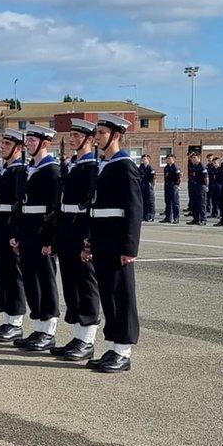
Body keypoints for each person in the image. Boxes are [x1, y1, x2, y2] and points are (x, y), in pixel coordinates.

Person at [82, 113, 142, 373]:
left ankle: (124, 351)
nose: (97, 137)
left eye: (102, 133)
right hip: (102, 241)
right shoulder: (103, 165)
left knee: (122, 295)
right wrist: (90, 240)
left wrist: (129, 248)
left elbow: (134, 209)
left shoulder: (125, 165)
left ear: (116, 136)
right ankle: (114, 346)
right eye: (97, 133)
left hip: (117, 243)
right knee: (108, 294)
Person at [50, 119, 101, 361]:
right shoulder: (72, 165)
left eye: (76, 136)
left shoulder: (92, 167)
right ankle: (78, 336)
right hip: (67, 235)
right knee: (72, 287)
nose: (71, 139)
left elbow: (91, 206)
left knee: (86, 287)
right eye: (70, 135)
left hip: (81, 235)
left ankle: (88, 339)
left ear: (89, 140)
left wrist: (88, 240)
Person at [12, 125, 61, 352]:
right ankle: (39, 327)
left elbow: (53, 209)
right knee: (31, 282)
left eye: (33, 141)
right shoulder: (30, 169)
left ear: (45, 144)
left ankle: (48, 330)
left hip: (42, 237)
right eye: (28, 140)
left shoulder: (52, 171)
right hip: (28, 235)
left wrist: (50, 240)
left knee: (46, 282)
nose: (29, 144)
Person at [0, 129, 28, 343]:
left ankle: (16, 323)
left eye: (8, 145)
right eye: (3, 144)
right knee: (4, 277)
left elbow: (19, 206)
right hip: (0, 230)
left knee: (14, 278)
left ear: (19, 149)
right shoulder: (4, 171)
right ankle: (8, 319)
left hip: (10, 231)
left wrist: (15, 233)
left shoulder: (20, 171)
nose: (3, 148)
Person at [186, 151, 209, 225]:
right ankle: (195, 219)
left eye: (194, 158)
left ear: (198, 158)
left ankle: (203, 219)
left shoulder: (202, 166)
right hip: (194, 187)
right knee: (194, 204)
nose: (192, 159)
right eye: (192, 158)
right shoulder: (193, 166)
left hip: (201, 187)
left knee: (202, 204)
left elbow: (206, 178)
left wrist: (206, 186)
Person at [160, 153, 180, 224]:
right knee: (168, 202)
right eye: (167, 159)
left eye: (170, 158)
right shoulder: (166, 167)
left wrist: (177, 186)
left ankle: (176, 218)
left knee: (175, 203)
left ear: (173, 159)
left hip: (173, 186)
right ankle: (168, 218)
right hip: (167, 186)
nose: (168, 160)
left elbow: (178, 178)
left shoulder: (176, 167)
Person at [139, 154, 156, 222]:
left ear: (148, 160)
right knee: (143, 201)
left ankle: (151, 215)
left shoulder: (151, 168)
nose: (143, 160)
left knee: (150, 202)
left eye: (145, 159)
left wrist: (153, 186)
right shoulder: (141, 167)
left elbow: (154, 179)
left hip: (149, 186)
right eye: (143, 159)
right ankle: (144, 216)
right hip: (142, 186)